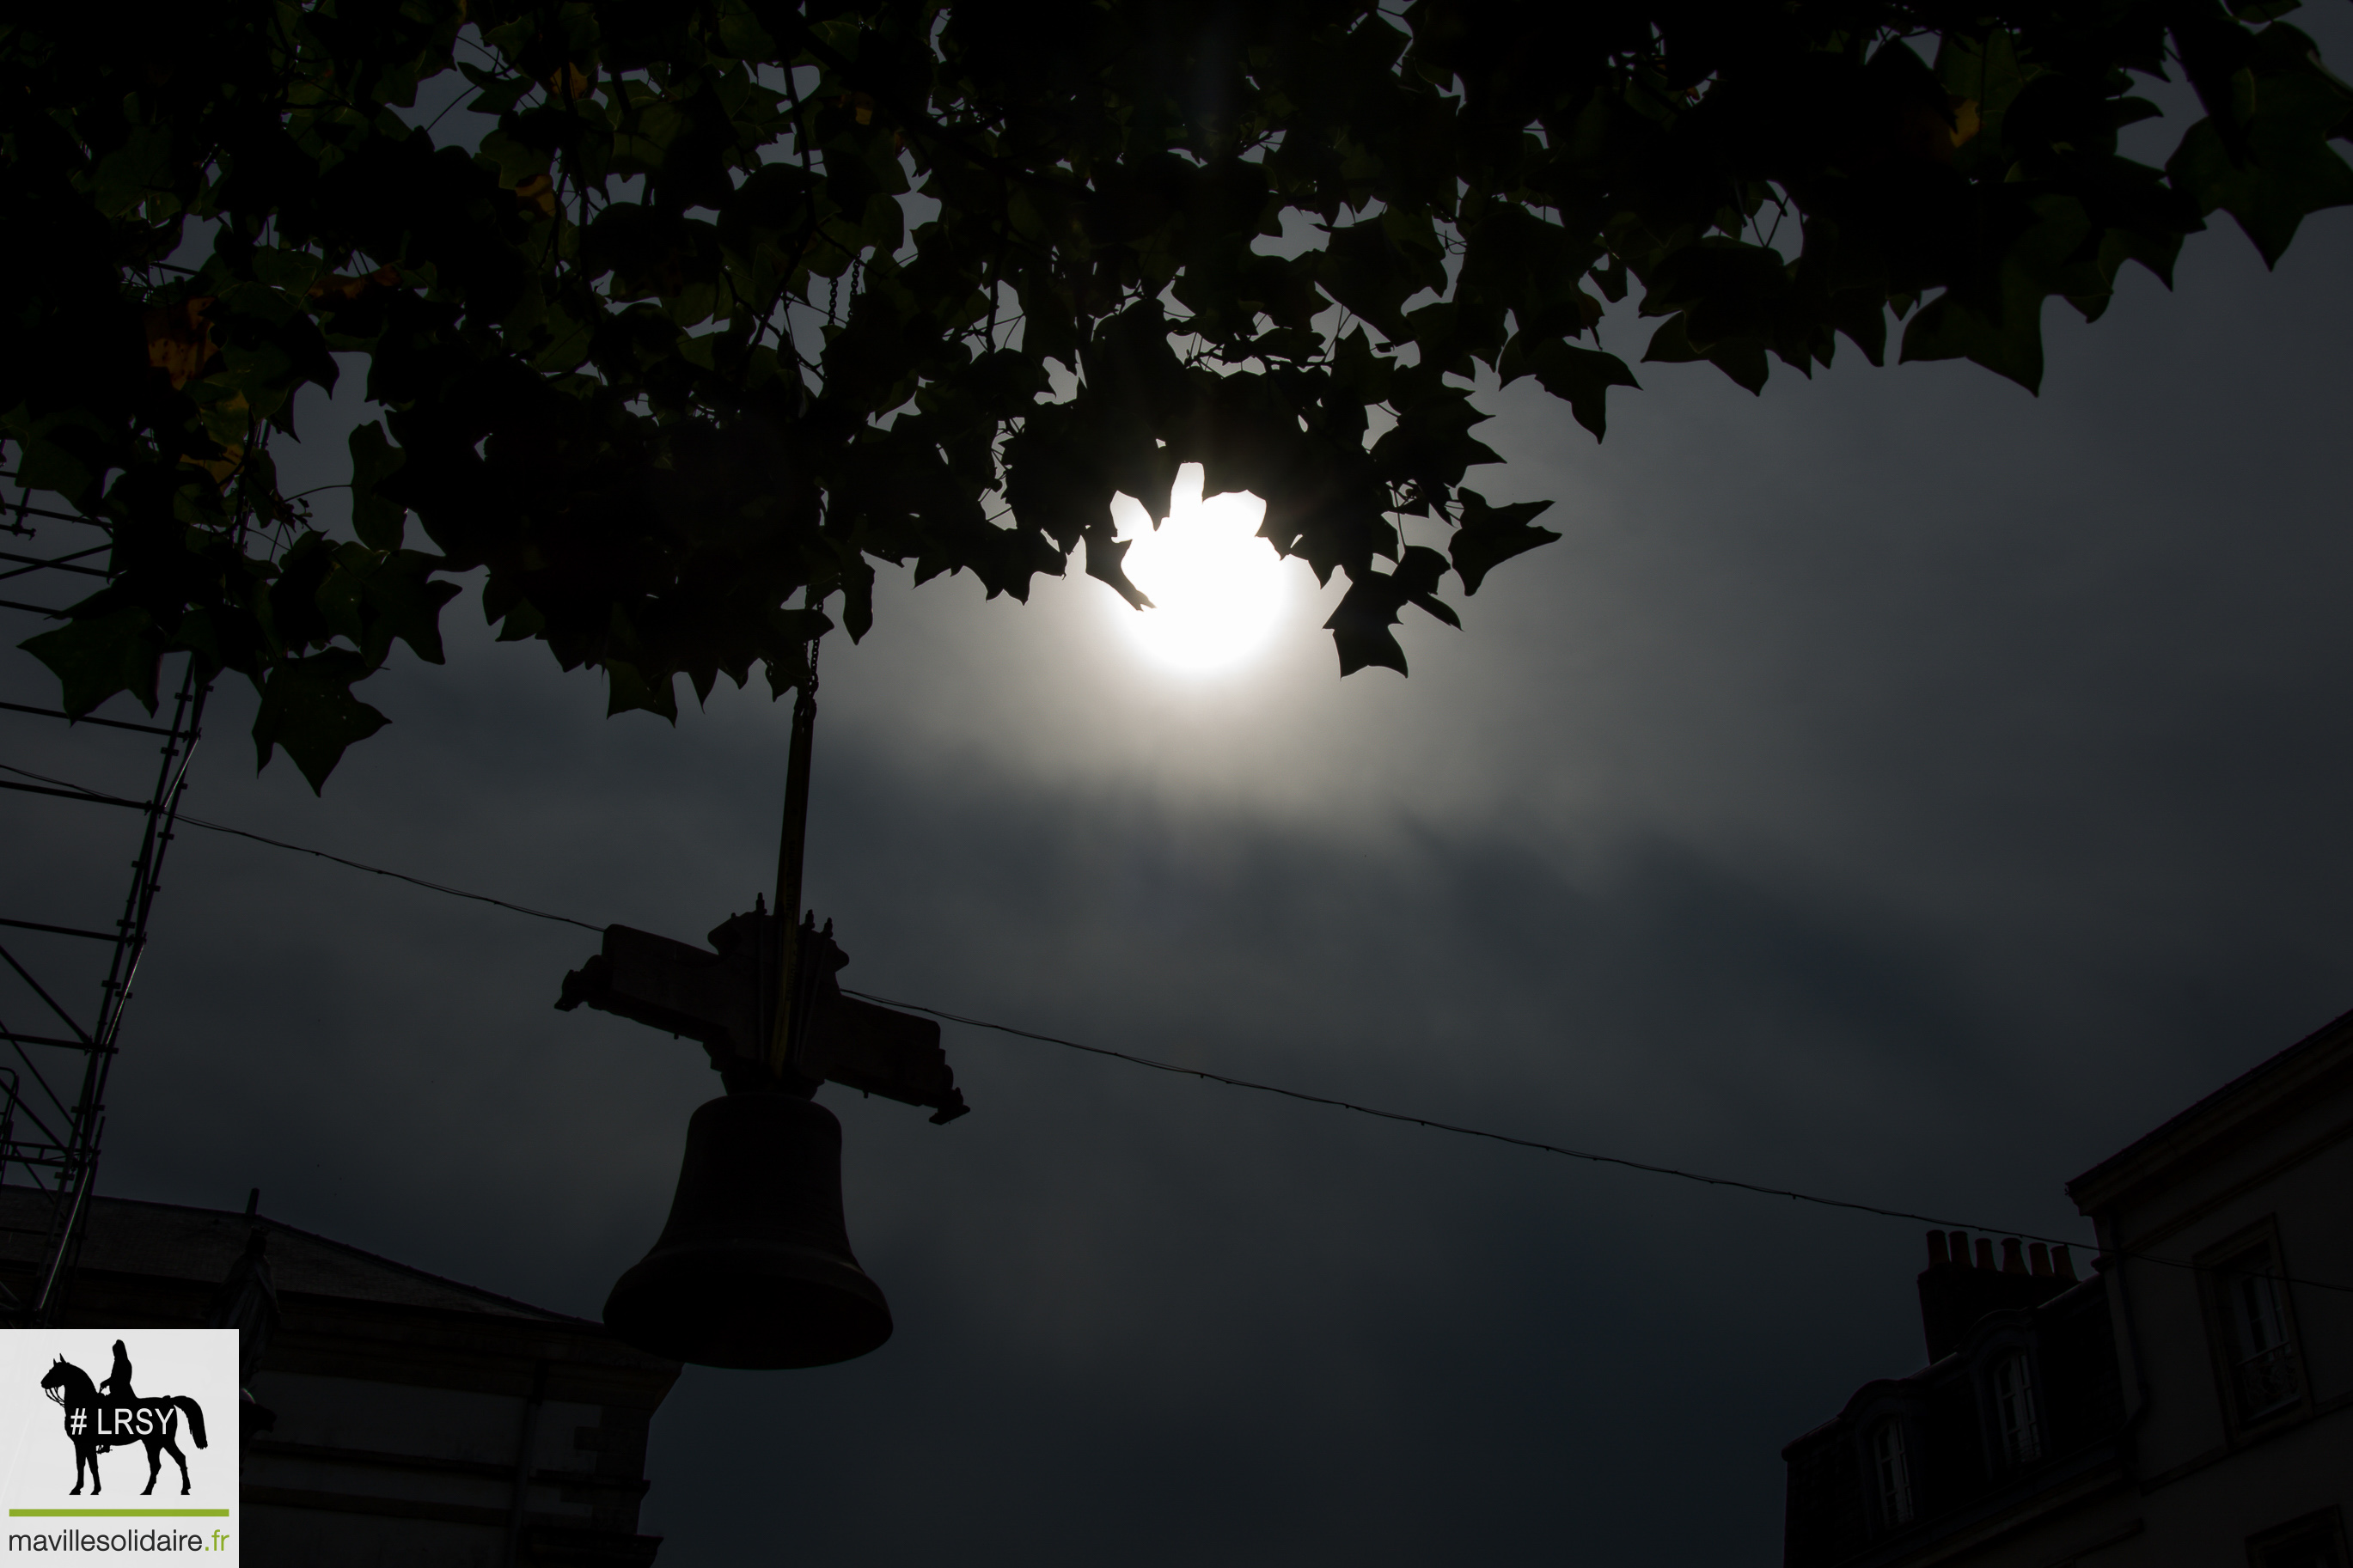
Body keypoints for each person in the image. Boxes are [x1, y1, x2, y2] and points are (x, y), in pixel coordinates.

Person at [100, 1339, 134, 1404]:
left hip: (121, 1394)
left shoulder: (122, 1363)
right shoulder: (121, 1362)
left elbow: (117, 1378)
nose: (114, 1355)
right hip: (117, 1393)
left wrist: (106, 1382)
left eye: (115, 1353)